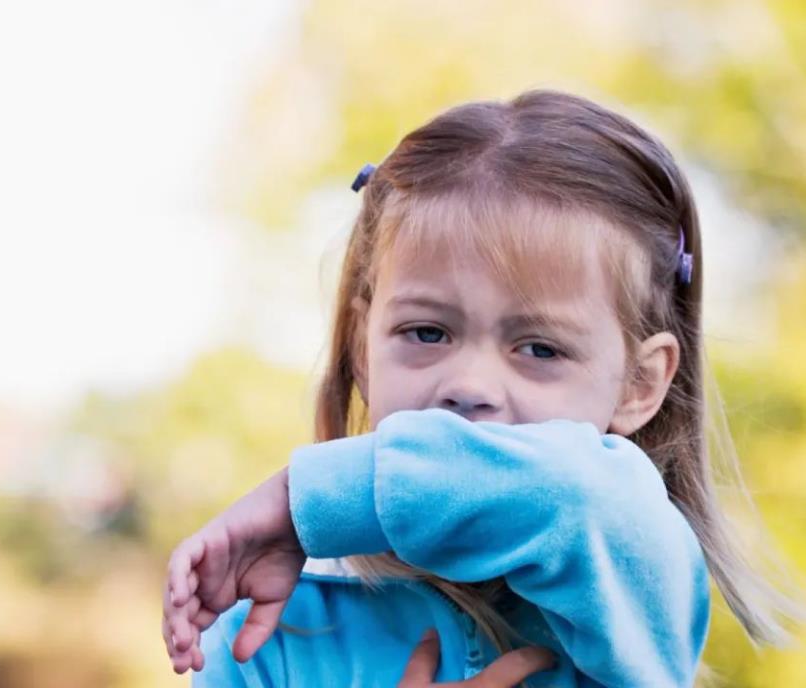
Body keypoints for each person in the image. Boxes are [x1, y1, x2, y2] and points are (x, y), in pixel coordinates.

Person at [161, 89, 801, 687]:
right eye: (427, 333)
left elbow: (573, 491)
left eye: (540, 348)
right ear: (363, 343)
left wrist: (306, 501)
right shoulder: (272, 632)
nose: (468, 386)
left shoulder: (626, 558)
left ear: (638, 385)